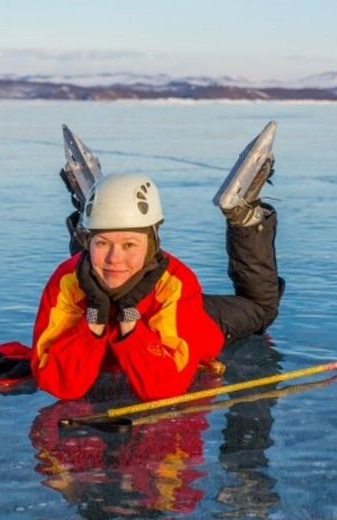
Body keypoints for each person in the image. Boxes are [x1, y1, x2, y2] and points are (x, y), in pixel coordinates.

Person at [31, 129, 284, 401]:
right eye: (102, 242)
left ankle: (245, 218)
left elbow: (164, 387)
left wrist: (128, 317)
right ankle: (100, 208)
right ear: (87, 239)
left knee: (261, 308)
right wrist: (95, 316)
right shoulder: (67, 280)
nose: (115, 257)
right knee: (97, 266)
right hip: (148, 303)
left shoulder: (175, 282)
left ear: (151, 244)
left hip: (187, 315)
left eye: (130, 244)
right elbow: (58, 383)